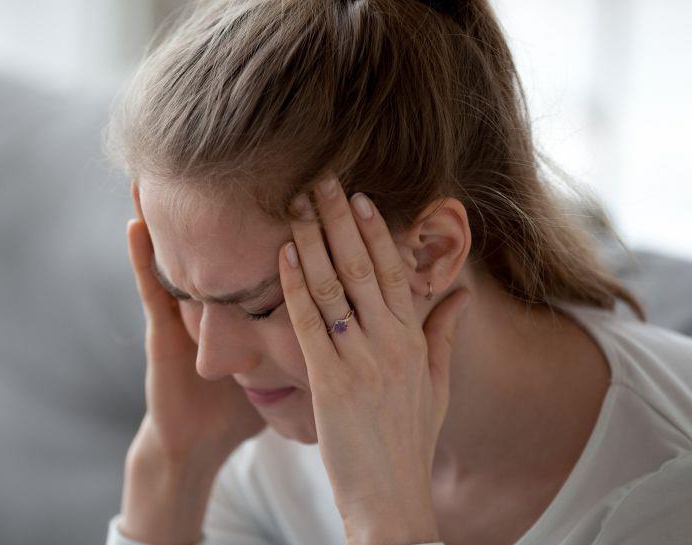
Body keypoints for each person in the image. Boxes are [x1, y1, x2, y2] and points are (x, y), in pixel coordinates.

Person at [102, 0, 692, 544]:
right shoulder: (263, 442)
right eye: (182, 293)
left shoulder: (664, 487)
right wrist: (174, 463)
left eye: (261, 305)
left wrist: (384, 515)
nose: (211, 362)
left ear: (431, 252)